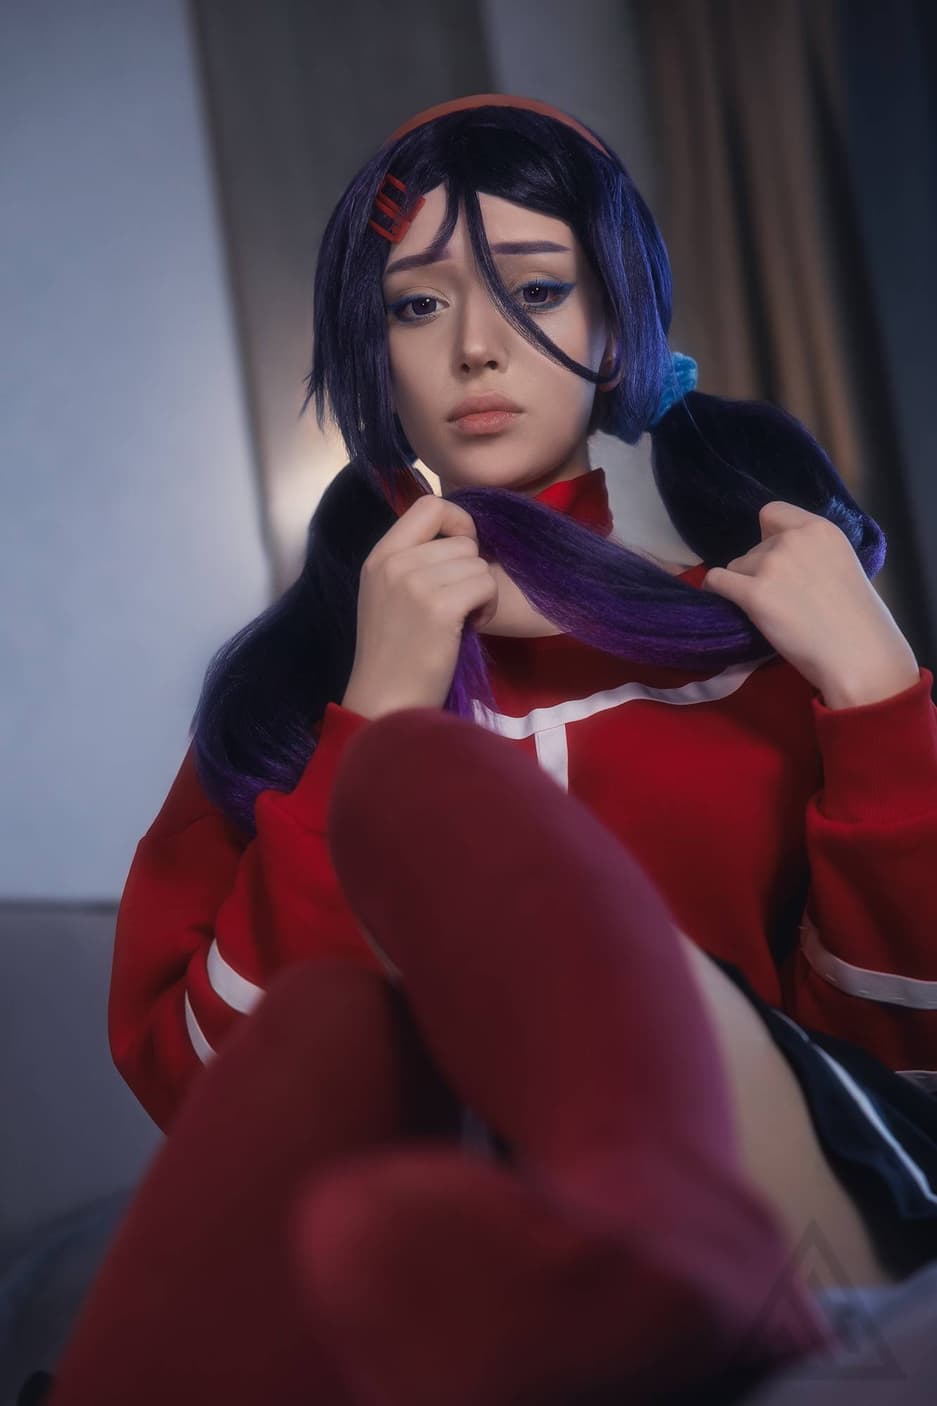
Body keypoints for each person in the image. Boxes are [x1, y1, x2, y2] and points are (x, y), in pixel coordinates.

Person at [49, 95, 937, 1404]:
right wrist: (373, 716)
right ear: (373, 353)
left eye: (536, 289)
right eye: (417, 305)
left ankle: (653, 1259)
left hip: (795, 1201)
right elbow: (207, 1090)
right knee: (330, 1031)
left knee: (432, 799)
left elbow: (907, 1063)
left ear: (617, 325)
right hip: (419, 1246)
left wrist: (877, 700)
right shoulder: (293, 704)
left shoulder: (765, 650)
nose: (474, 347)